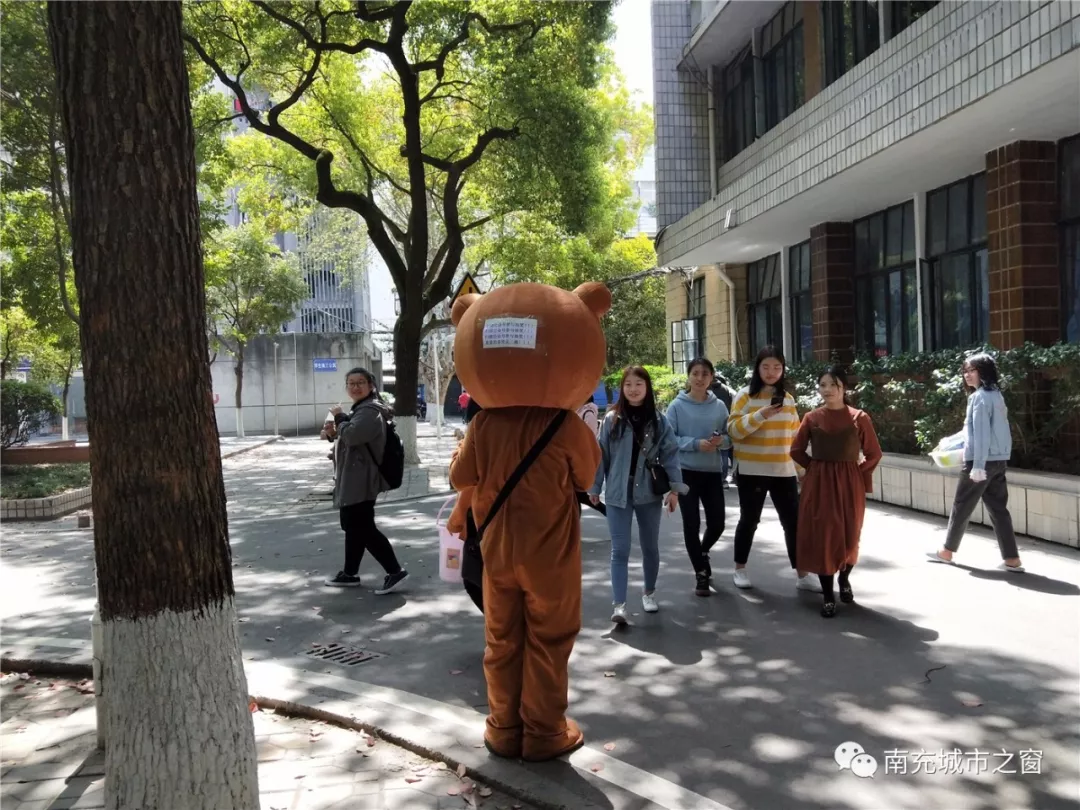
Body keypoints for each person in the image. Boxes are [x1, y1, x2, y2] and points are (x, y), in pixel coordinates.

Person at [449, 281, 608, 763]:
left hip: (498, 551)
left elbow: (461, 476)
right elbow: (586, 475)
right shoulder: (566, 426)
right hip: (550, 554)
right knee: (549, 638)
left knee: (501, 639)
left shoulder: (483, 425)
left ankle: (503, 727)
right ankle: (543, 731)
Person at [589, 365, 686, 624]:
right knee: (619, 550)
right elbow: (602, 457)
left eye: (638, 384)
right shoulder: (612, 420)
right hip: (618, 494)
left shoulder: (658, 420)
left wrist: (675, 490)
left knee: (650, 547)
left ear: (647, 388)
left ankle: (649, 593)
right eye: (628, 384)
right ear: (622, 388)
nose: (633, 389)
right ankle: (619, 604)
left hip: (648, 494)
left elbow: (671, 455)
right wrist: (595, 487)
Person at [790, 366, 883, 618]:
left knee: (851, 534)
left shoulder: (859, 417)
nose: (827, 389)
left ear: (844, 387)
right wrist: (815, 468)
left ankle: (844, 578)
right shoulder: (812, 417)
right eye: (823, 385)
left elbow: (874, 453)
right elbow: (796, 450)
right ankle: (828, 595)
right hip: (819, 485)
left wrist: (857, 473)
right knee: (824, 535)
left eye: (833, 384)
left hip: (850, 483)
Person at [727, 346, 819, 592]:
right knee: (749, 520)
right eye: (766, 367)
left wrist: (801, 470)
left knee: (793, 522)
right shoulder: (744, 396)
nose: (771, 372)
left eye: (777, 367)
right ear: (757, 368)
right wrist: (762, 414)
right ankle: (740, 569)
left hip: (783, 470)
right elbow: (734, 431)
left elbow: (795, 437)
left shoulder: (787, 399)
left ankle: (802, 574)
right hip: (752, 469)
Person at [929, 353, 1024, 572]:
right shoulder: (996, 395)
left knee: (961, 505)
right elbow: (972, 431)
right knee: (999, 509)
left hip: (980, 462)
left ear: (984, 372)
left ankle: (946, 551)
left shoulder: (979, 397)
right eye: (965, 371)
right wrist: (948, 441)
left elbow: (980, 434)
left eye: (972, 370)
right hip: (998, 460)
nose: (967, 375)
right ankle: (1012, 559)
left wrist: (978, 465)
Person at [324, 367, 410, 594]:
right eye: (351, 383)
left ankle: (395, 571)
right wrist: (334, 435)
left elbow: (353, 435)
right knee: (353, 526)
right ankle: (350, 574)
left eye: (360, 382)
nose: (355, 387)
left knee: (362, 527)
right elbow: (353, 439)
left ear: (371, 385)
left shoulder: (370, 410)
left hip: (362, 480)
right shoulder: (362, 409)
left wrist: (340, 417)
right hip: (354, 478)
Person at [666, 357, 730, 597]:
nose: (700, 378)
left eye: (705, 374)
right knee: (691, 524)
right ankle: (701, 573)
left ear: (711, 377)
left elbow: (728, 437)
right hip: (686, 473)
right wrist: (695, 444)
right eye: (695, 373)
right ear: (689, 376)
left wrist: (720, 441)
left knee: (718, 523)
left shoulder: (719, 406)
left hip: (712, 472)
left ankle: (702, 551)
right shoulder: (676, 406)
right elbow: (669, 440)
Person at [710, 373, 737, 486]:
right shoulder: (728, 390)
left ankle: (715, 477)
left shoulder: (707, 389)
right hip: (725, 421)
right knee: (724, 452)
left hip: (710, 422)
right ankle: (723, 478)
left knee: (711, 449)